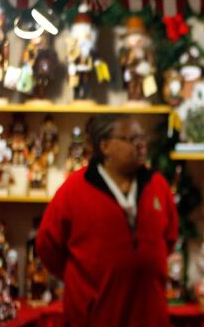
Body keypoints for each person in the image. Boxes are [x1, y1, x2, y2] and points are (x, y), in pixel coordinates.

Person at [36, 115, 178, 326]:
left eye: (142, 138)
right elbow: (47, 246)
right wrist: (83, 282)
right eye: (131, 139)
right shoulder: (74, 189)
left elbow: (169, 239)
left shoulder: (157, 185)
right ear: (105, 146)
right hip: (95, 316)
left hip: (150, 315)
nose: (140, 145)